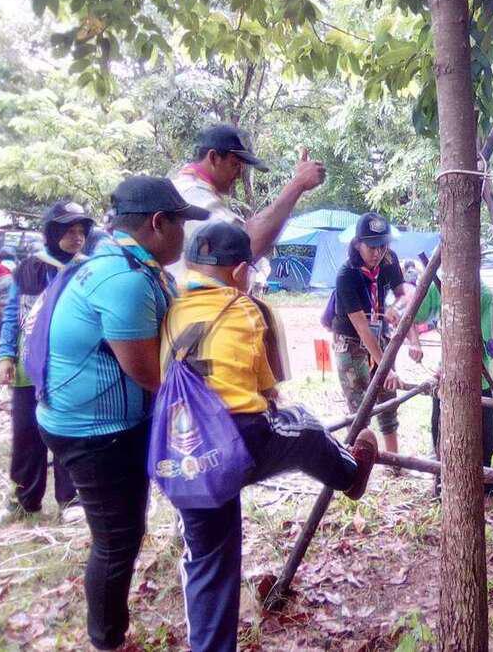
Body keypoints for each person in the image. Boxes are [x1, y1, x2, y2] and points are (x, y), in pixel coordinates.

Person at [161, 221, 378, 652]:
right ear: (242, 272)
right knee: (303, 426)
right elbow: (269, 388)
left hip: (180, 447)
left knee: (207, 559)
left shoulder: (170, 307)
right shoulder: (248, 308)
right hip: (236, 439)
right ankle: (350, 475)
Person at [36, 177, 209, 650]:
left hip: (108, 422)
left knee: (124, 530)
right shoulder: (124, 281)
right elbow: (151, 374)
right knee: (117, 539)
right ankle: (107, 640)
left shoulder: (128, 264)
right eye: (181, 225)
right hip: (95, 433)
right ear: (158, 223)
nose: (184, 236)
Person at [0, 201, 94, 524]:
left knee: (66, 432)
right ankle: (24, 501)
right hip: (27, 368)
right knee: (26, 435)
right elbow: (12, 315)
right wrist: (5, 355)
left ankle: (71, 500)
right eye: (69, 230)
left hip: (68, 368)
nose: (77, 237)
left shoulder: (88, 269)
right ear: (52, 231)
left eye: (81, 231)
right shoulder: (29, 269)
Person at [169, 123, 325, 278]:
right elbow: (244, 246)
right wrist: (297, 185)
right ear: (214, 158)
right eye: (235, 164)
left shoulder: (193, 190)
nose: (238, 175)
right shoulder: (191, 194)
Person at [404, 281, 493, 505]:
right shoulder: (436, 288)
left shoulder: (483, 295)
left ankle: (488, 493)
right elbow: (409, 316)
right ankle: (442, 485)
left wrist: (457, 367)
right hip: (446, 376)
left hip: (477, 377)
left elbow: (483, 343)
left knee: (485, 435)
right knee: (440, 429)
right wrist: (415, 343)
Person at [331, 213, 411, 455]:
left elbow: (403, 295)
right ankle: (359, 464)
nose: (377, 252)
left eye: (382, 245)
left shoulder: (389, 260)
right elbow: (361, 328)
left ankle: (394, 461)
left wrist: (396, 308)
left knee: (388, 398)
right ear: (357, 244)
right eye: (371, 246)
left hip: (380, 333)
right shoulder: (347, 275)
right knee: (359, 406)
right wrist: (385, 366)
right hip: (352, 341)